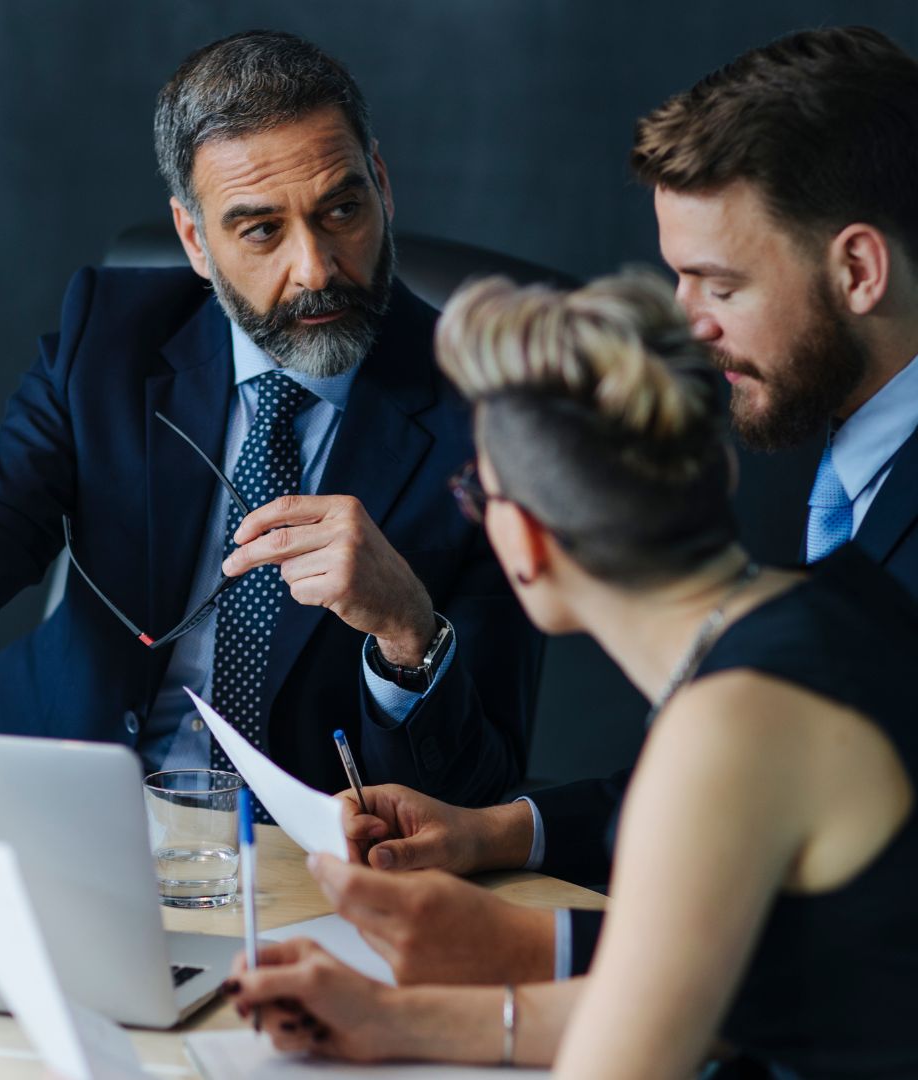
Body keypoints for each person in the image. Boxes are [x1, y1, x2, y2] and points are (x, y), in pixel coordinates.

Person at [306, 22, 918, 987]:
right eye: (675, 274)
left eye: (719, 282)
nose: (685, 324)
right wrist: (502, 832)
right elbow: (759, 800)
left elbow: (864, 952)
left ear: (856, 271)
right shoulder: (852, 449)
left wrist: (523, 953)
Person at [227, 270, 918, 1077]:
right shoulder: (847, 606)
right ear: (714, 471)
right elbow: (683, 996)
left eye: (472, 492)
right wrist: (390, 1018)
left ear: (525, 541)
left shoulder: (729, 729)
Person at [0, 30, 541, 807]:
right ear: (195, 241)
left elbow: (481, 781)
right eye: (262, 230)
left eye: (342, 209)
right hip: (43, 783)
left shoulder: (491, 420)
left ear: (381, 183)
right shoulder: (109, 336)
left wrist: (408, 630)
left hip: (287, 857)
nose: (314, 268)